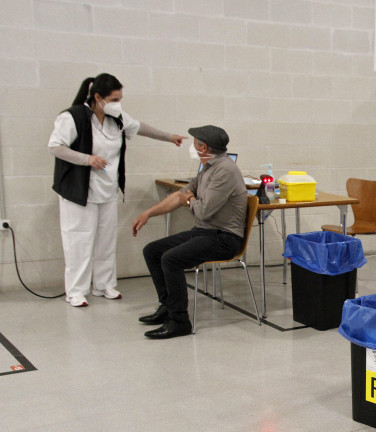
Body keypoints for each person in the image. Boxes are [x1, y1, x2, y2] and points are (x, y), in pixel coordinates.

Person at [49, 74, 185, 307]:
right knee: (79, 241)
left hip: (107, 191)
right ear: (98, 97)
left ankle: (103, 285)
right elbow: (55, 147)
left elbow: (141, 128)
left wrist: (169, 137)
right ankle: (76, 290)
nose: (117, 103)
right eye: (114, 99)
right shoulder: (72, 117)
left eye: (120, 99)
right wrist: (87, 159)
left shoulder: (116, 118)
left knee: (106, 239)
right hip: (79, 193)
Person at [132, 125, 248, 339]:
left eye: (195, 143)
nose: (192, 146)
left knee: (171, 259)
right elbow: (180, 196)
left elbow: (203, 210)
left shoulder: (225, 171)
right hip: (204, 232)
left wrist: (191, 200)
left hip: (224, 238)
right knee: (152, 251)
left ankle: (179, 322)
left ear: (204, 147)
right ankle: (167, 307)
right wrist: (148, 213)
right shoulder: (207, 168)